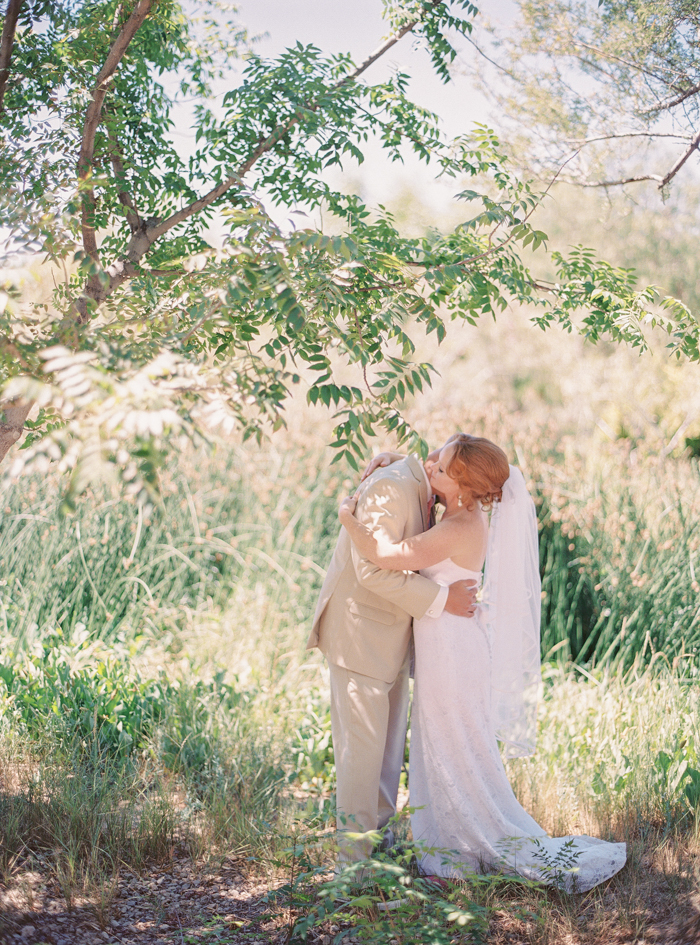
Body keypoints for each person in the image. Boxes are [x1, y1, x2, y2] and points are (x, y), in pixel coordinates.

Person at [338, 434, 626, 892]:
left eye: (441, 465)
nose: (430, 464)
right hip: (449, 645)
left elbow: (385, 555)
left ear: (462, 485)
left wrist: (348, 518)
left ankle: (456, 852)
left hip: (452, 653)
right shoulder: (456, 510)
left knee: (451, 745)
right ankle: (447, 845)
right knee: (442, 743)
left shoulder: (459, 527)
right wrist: (394, 459)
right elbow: (426, 470)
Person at [307, 444, 479, 862]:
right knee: (361, 759)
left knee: (385, 753)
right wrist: (441, 598)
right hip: (361, 635)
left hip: (395, 634)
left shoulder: (421, 485)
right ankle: (354, 871)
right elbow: (370, 570)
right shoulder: (392, 488)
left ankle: (379, 847)